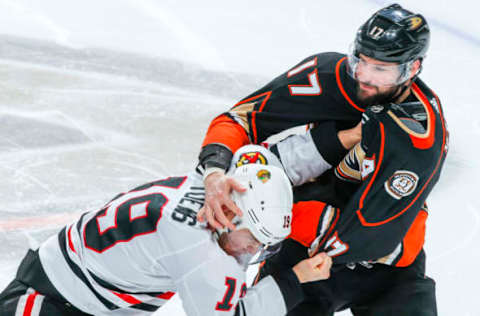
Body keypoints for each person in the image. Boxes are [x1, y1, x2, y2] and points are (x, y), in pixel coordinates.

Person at [197, 4, 448, 316]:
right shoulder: (327, 75)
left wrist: (277, 220)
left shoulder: (419, 134)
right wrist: (214, 173)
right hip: (306, 250)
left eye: (381, 70)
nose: (364, 77)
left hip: (388, 266)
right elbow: (237, 121)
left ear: (411, 69)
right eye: (361, 61)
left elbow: (376, 232)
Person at [0, 146, 333, 316]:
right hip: (51, 301)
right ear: (232, 215)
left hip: (79, 292)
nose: (250, 254)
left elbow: (256, 160)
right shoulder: (201, 251)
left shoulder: (211, 185)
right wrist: (296, 278)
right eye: (251, 240)